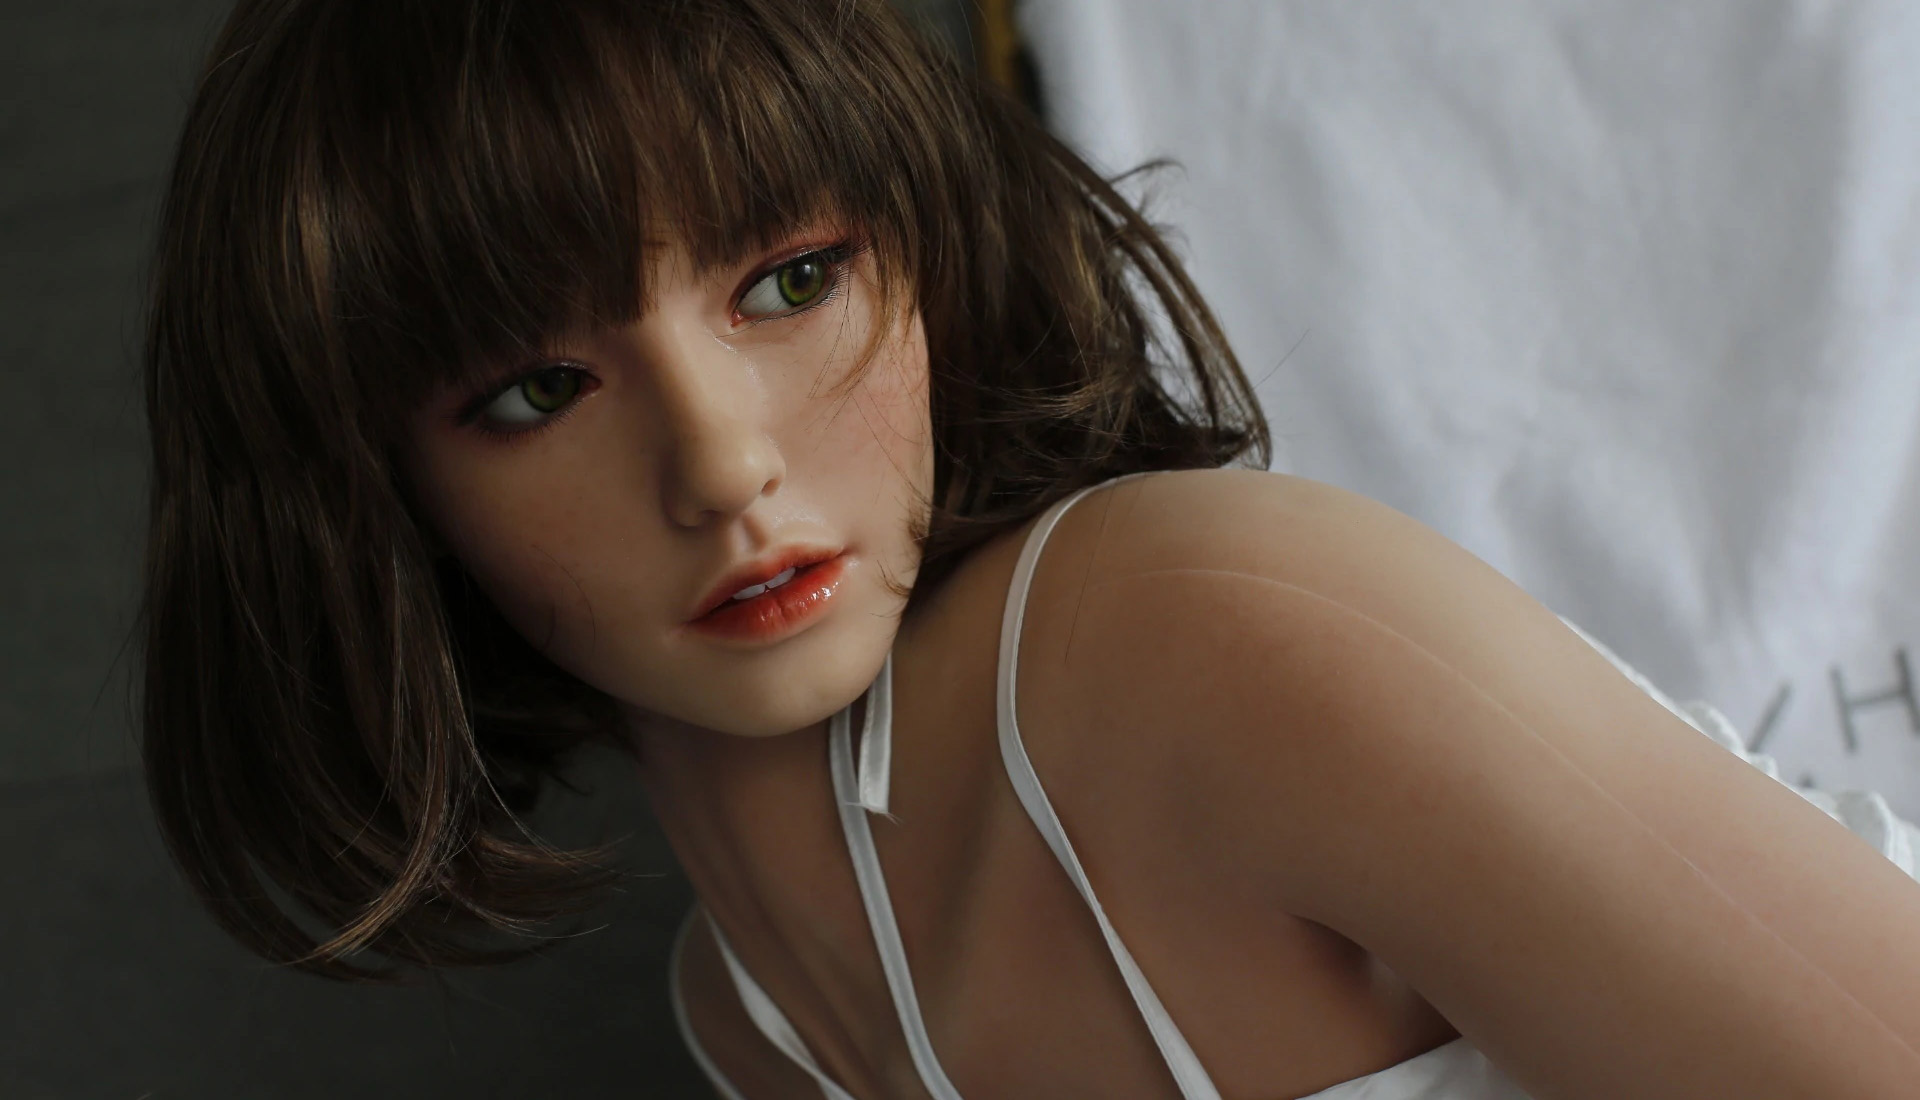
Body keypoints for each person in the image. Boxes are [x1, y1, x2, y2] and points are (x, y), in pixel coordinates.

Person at [138, 1, 1920, 1097]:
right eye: (539, 389)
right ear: (371, 497)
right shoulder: (750, 1025)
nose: (724, 461)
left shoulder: (1201, 635)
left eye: (791, 280)